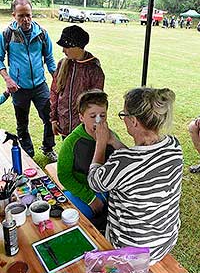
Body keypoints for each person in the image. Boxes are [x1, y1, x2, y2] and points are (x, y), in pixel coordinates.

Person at [88, 87, 183, 265]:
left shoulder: (123, 161)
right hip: (165, 240)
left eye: (124, 115)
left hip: (133, 251)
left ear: (133, 121)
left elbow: (95, 182)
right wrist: (114, 142)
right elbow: (140, 165)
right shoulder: (174, 146)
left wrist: (100, 143)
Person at [57, 89, 125, 230]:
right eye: (93, 116)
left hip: (108, 192)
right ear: (81, 117)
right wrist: (90, 198)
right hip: (81, 190)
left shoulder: (112, 137)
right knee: (68, 219)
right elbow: (64, 176)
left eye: (103, 115)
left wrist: (112, 142)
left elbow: (125, 165)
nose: (98, 120)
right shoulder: (72, 142)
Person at [0, 0, 57, 161]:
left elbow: (50, 58)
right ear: (14, 15)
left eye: (28, 15)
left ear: (32, 14)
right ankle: (27, 152)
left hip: (40, 86)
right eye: (21, 16)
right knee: (22, 123)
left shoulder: (42, 33)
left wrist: (56, 77)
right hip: (18, 87)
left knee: (49, 117)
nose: (25, 19)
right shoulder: (7, 34)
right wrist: (8, 79)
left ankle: (48, 148)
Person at [50, 25, 105, 138]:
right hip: (64, 125)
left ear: (78, 47)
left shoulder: (93, 69)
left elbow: (97, 102)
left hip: (84, 130)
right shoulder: (62, 65)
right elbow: (55, 93)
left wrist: (94, 125)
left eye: (66, 47)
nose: (63, 50)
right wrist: (54, 119)